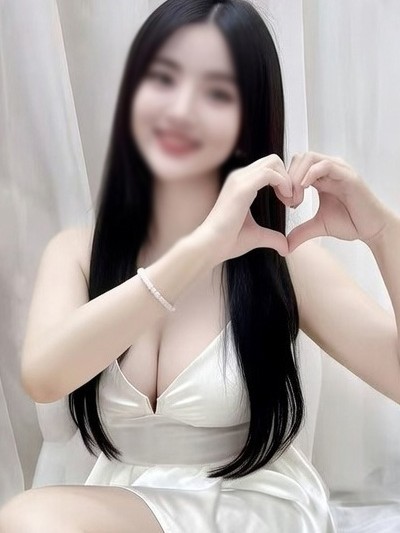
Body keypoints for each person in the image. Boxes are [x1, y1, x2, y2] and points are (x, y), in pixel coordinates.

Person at [1, 0, 399, 531]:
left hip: (250, 509)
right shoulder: (77, 253)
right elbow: (44, 377)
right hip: (127, 504)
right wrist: (199, 250)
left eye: (216, 93)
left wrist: (383, 232)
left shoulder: (280, 259)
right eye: (163, 79)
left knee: (31, 519)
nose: (181, 109)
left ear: (247, 122)